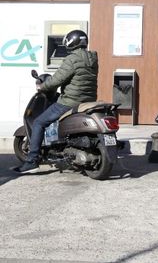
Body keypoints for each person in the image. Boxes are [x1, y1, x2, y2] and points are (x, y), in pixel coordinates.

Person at [13, 30, 98, 174]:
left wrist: (42, 86)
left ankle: (32, 160)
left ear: (70, 43)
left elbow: (57, 80)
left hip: (70, 101)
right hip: (88, 100)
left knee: (39, 122)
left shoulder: (72, 59)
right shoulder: (93, 57)